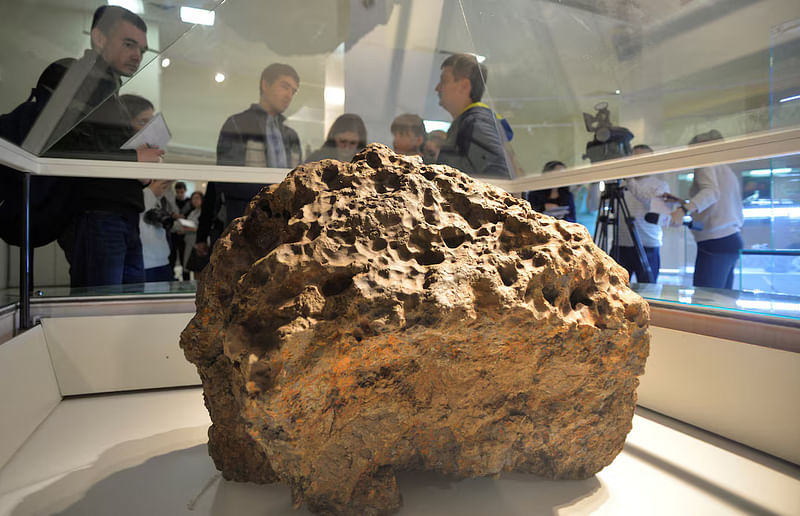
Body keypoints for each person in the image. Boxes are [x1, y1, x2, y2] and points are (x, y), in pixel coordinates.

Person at [44, 6, 164, 288]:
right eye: (128, 44)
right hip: (98, 214)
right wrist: (135, 157)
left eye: (142, 50)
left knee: (119, 309)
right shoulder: (74, 77)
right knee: (100, 311)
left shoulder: (109, 91)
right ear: (99, 38)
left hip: (118, 213)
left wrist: (138, 168)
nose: (137, 55)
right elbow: (67, 147)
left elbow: (98, 147)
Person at [196, 63, 302, 257]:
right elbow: (227, 180)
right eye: (284, 86)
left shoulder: (291, 135)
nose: (289, 95)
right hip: (244, 226)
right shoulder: (237, 124)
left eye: (293, 91)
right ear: (265, 84)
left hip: (282, 229)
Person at [668, 130, 744, 289]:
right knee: (722, 301)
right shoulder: (725, 169)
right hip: (729, 239)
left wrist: (683, 209)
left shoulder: (706, 161)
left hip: (715, 241)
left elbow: (711, 193)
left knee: (707, 300)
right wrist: (684, 202)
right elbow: (717, 199)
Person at [434, 53, 510, 178]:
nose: (437, 88)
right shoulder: (472, 122)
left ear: (464, 86)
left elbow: (499, 177)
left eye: (444, 81)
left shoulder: (476, 123)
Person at [617, 144, 669, 283]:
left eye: (642, 158)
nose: (637, 161)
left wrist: (630, 181)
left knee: (648, 290)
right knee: (616, 288)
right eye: (634, 158)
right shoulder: (622, 183)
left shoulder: (660, 185)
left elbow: (650, 203)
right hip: (622, 244)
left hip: (648, 244)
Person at [139, 179, 174, 282]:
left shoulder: (157, 200)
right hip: (149, 262)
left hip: (161, 259)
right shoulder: (144, 197)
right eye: (165, 187)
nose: (166, 191)